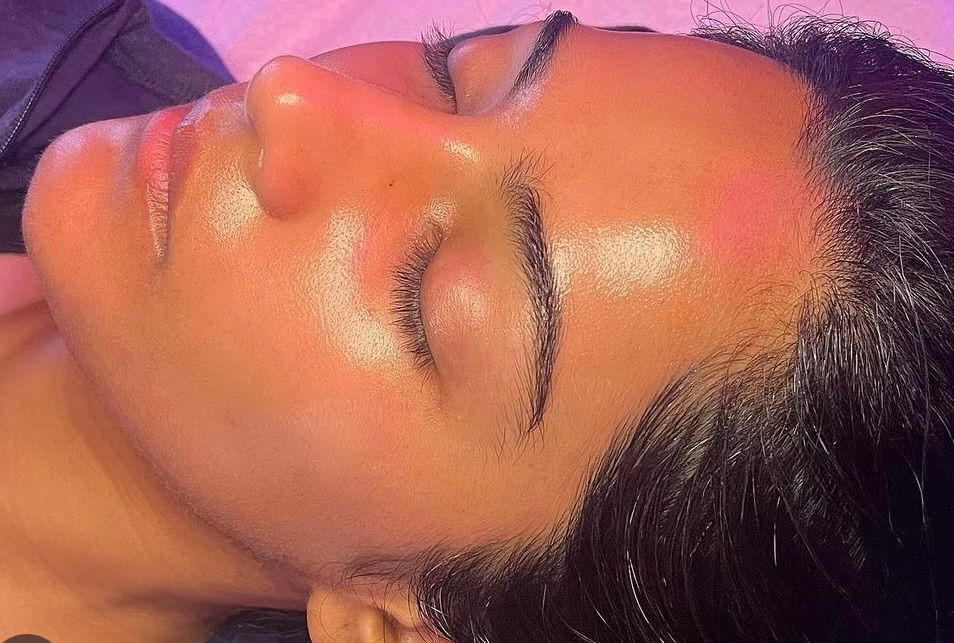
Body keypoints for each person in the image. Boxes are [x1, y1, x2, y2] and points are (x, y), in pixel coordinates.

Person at [2, 0, 954, 641]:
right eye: (453, 75)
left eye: (427, 293)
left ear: (403, 622)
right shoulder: (72, 42)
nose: (292, 95)